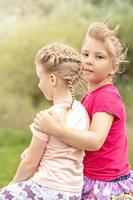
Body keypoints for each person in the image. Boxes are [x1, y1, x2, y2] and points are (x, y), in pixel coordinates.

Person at [33, 22, 133, 200]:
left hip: (105, 185)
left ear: (114, 67)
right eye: (85, 54)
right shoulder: (90, 96)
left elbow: (95, 141)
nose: (89, 60)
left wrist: (56, 129)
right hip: (88, 178)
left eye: (99, 57)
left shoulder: (106, 97)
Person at [0, 43, 89, 199]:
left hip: (46, 189)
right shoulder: (82, 111)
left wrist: (12, 185)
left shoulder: (47, 118)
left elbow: (30, 164)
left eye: (40, 78)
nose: (39, 84)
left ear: (52, 79)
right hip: (72, 193)